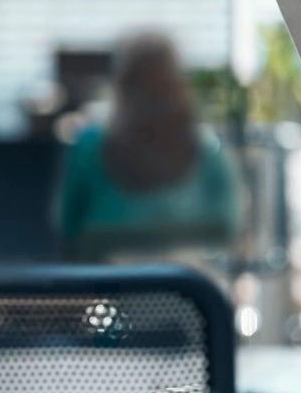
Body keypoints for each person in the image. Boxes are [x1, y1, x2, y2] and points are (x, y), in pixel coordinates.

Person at [54, 32, 239, 263]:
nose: (153, 103)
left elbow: (227, 230)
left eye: (161, 90)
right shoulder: (89, 148)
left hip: (188, 290)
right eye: (143, 88)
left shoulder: (209, 151)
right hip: (105, 291)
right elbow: (66, 231)